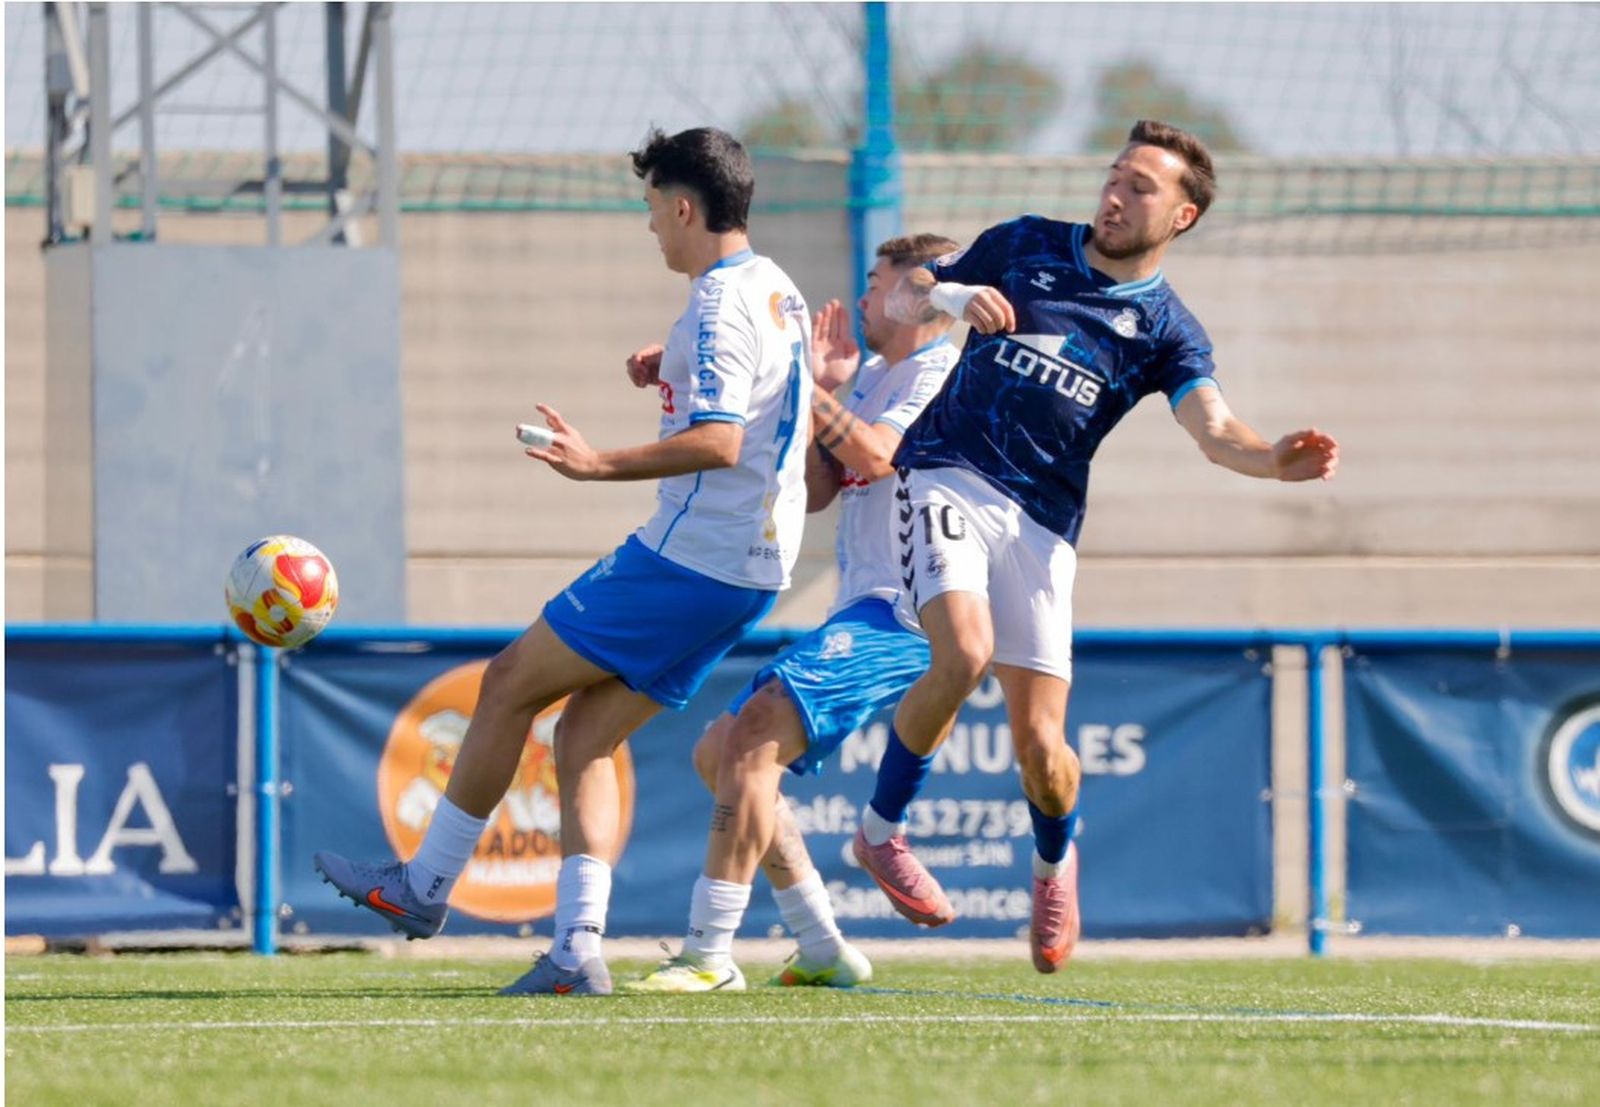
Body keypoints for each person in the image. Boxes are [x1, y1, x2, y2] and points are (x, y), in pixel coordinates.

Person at [313, 126, 815, 997]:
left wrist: (595, 463)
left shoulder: (717, 305)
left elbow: (722, 440)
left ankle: (424, 885)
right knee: (583, 735)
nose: (649, 226)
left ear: (685, 208)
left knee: (509, 680)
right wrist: (673, 368)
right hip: (750, 567)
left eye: (652, 207)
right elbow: (765, 397)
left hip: (691, 557)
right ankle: (577, 951)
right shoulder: (775, 287)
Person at [859, 119, 1341, 974]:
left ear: (1182, 216)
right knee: (963, 651)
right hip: (947, 474)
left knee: (1044, 753)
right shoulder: (1025, 244)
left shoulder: (1168, 329)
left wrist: (1270, 460)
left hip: (1045, 523)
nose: (1114, 195)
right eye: (1114, 176)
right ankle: (880, 832)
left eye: (1140, 187)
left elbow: (1214, 429)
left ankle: (1054, 866)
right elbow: (904, 299)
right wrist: (950, 298)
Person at [622, 234, 962, 993]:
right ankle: (821, 945)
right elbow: (824, 487)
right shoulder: (876, 376)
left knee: (749, 741)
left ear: (919, 295)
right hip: (865, 605)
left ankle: (707, 955)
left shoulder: (942, 372)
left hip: (908, 612)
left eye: (876, 284)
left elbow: (876, 456)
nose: (864, 298)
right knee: (720, 751)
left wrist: (801, 384)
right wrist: (815, 396)